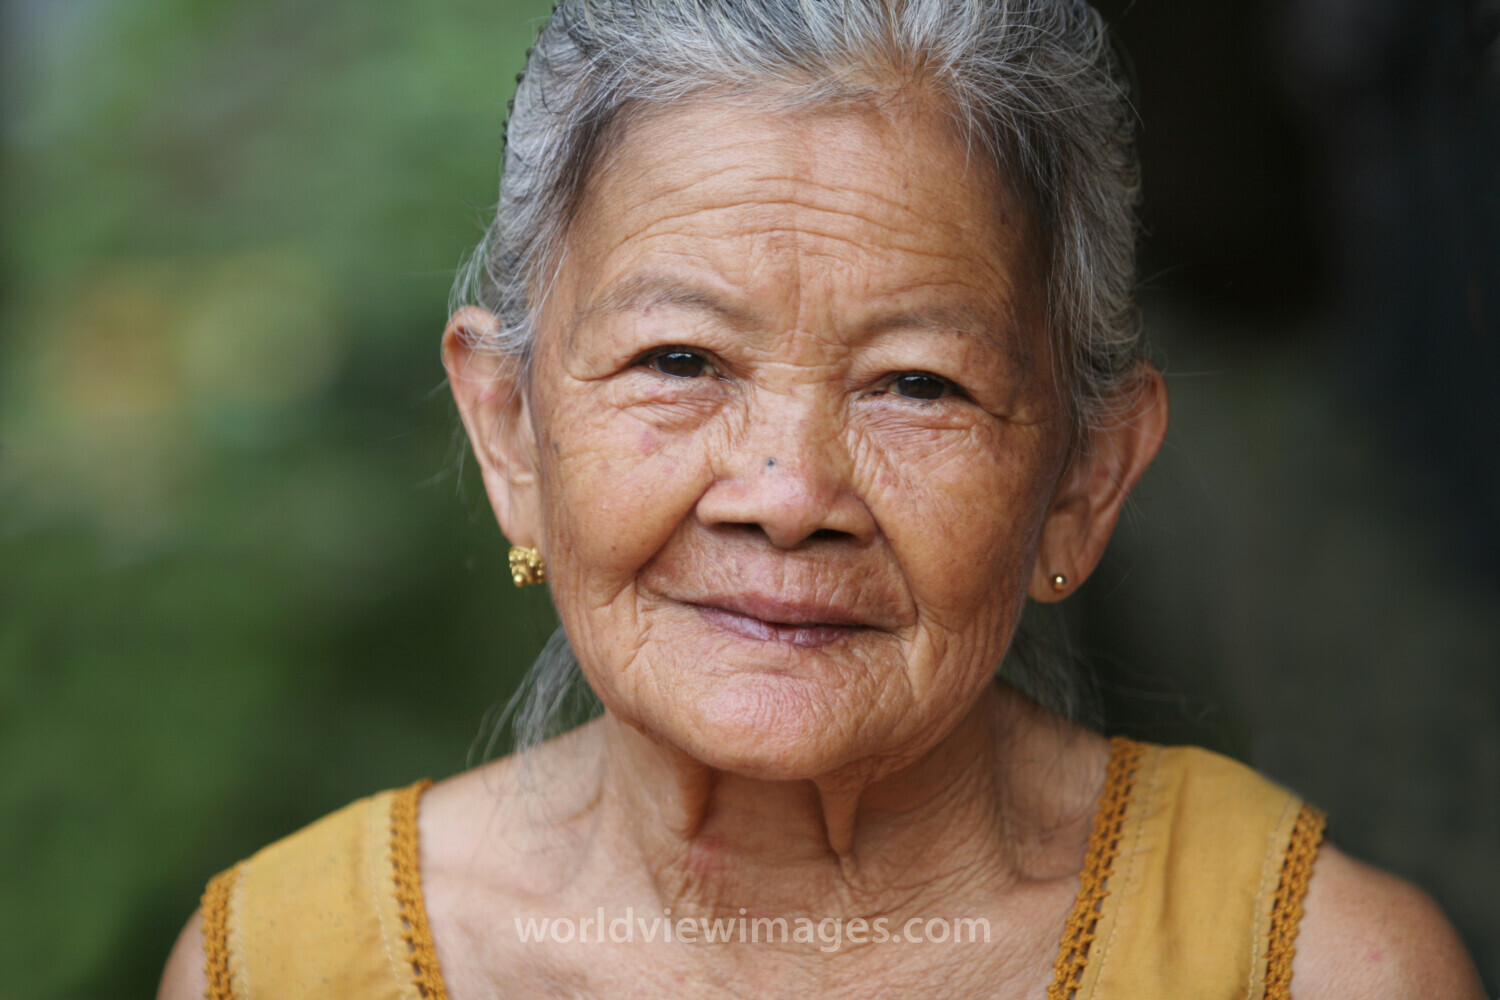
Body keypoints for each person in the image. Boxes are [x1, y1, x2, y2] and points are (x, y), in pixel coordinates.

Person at [159, 0, 1486, 996]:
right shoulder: (278, 963)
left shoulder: (1313, 969)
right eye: (679, 361)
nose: (791, 493)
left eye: (917, 385)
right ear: (509, 431)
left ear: (1086, 475)